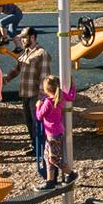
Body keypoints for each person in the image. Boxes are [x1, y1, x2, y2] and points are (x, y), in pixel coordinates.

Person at [12, 29, 53, 179]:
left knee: (37, 124)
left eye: (25, 38)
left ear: (33, 37)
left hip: (35, 95)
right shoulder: (25, 53)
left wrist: (41, 99)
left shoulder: (42, 54)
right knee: (29, 123)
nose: (22, 41)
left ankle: (42, 149)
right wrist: (5, 79)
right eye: (21, 39)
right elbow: (17, 69)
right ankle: (35, 146)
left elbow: (44, 78)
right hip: (25, 94)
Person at [34, 74, 77, 188]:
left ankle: (71, 174)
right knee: (47, 157)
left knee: (53, 158)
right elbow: (71, 97)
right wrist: (73, 86)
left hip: (53, 134)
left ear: (46, 90)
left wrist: (38, 106)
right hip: (56, 132)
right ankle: (50, 181)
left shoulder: (47, 102)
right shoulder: (61, 96)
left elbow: (39, 116)